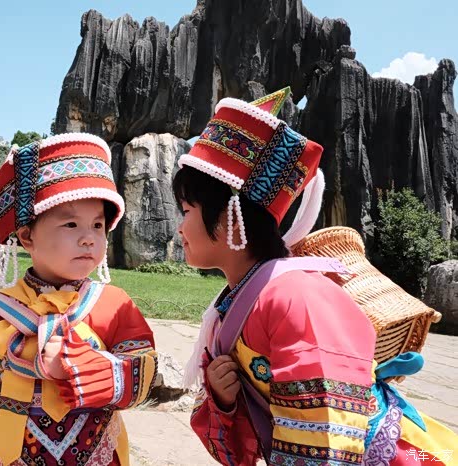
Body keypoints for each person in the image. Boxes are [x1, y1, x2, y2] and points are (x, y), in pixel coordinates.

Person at [173, 88, 457, 465]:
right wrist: (225, 400)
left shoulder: (297, 294)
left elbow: (326, 436)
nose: (180, 228)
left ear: (231, 217)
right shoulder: (233, 304)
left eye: (187, 210)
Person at [0, 133, 157, 466]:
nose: (89, 238)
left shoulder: (113, 304)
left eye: (97, 225)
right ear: (26, 236)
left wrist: (94, 372)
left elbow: (144, 367)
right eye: (71, 224)